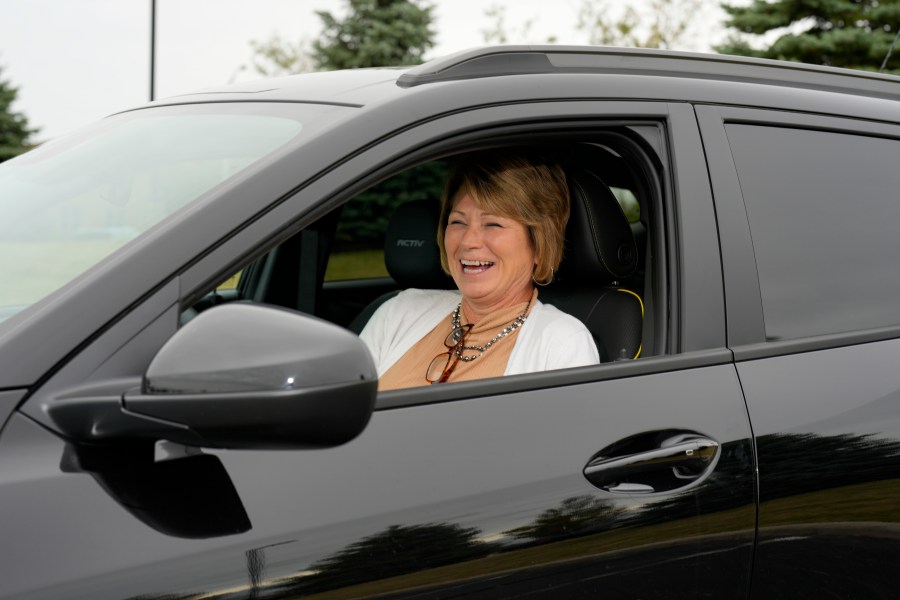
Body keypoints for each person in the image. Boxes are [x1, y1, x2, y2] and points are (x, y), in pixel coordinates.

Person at [360, 151, 600, 390]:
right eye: (458, 222)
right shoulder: (399, 311)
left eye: (492, 224)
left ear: (538, 244)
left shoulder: (561, 344)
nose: (468, 241)